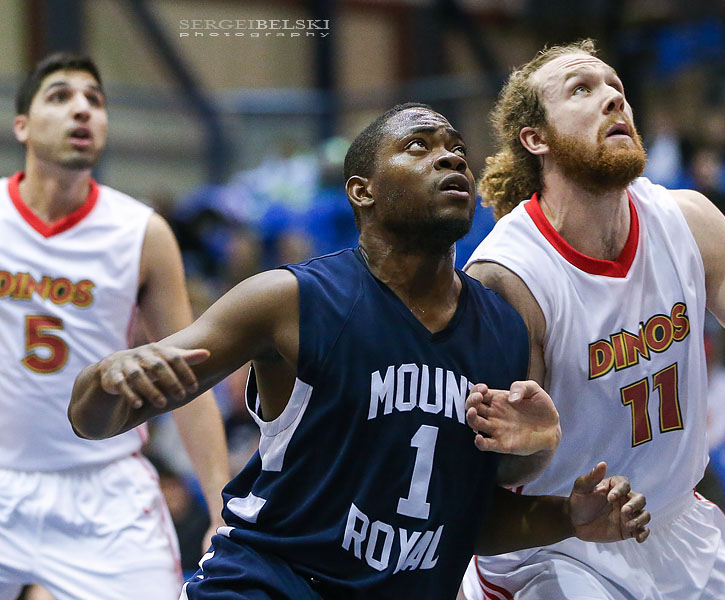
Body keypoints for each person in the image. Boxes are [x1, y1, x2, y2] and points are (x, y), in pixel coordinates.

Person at [68, 103, 651, 600]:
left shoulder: (502, 327)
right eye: (419, 147)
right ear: (362, 191)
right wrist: (105, 381)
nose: (450, 158)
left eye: (456, 148)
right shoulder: (288, 300)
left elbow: (456, 519)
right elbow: (96, 419)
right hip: (267, 583)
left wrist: (566, 514)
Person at [460, 39, 725, 600]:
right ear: (535, 139)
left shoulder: (687, 220)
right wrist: (534, 442)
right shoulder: (509, 275)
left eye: (616, 86)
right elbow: (494, 486)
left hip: (677, 523)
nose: (613, 98)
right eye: (581, 90)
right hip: (558, 543)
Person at [0, 53, 230, 600]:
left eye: (95, 100)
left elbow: (191, 381)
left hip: (103, 491)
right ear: (22, 127)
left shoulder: (141, 232)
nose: (82, 109)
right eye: (60, 96)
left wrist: (224, 510)